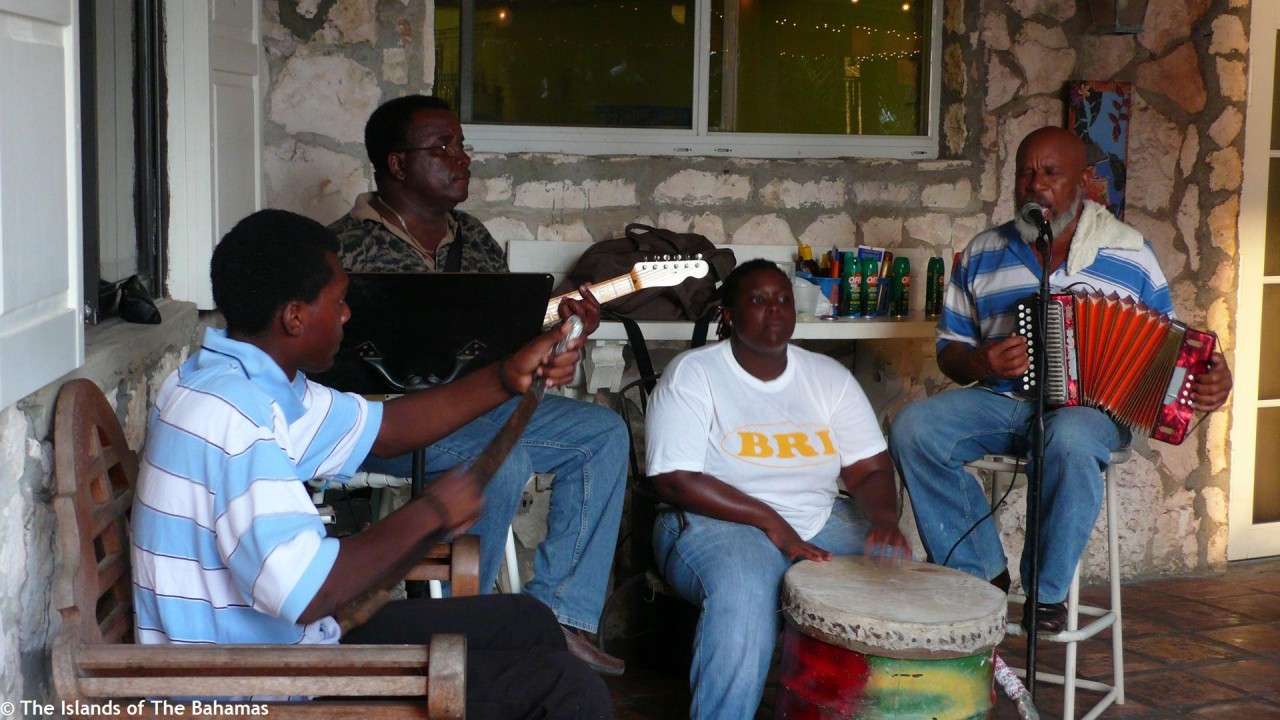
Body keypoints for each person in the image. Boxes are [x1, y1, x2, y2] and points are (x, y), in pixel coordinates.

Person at [130, 209, 613, 719]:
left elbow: (387, 429)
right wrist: (429, 513)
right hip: (256, 687)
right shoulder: (236, 419)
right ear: (294, 317)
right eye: (338, 301)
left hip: (285, 649)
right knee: (569, 691)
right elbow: (305, 592)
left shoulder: (229, 380)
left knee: (527, 621)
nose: (346, 315)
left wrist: (507, 376)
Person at [889, 126, 1234, 634]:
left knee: (1068, 436)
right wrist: (982, 363)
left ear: (1084, 183)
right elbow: (950, 351)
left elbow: (1171, 350)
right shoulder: (983, 252)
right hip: (1003, 402)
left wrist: (1210, 382)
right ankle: (980, 573)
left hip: (1091, 414)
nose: (1036, 185)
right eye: (1025, 173)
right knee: (913, 428)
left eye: (1051, 173)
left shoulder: (1130, 253)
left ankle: (1046, 595)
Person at [328, 95, 628, 674]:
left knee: (603, 434)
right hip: (381, 424)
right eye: (443, 148)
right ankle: (456, 639)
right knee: (503, 462)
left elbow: (508, 344)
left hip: (480, 409)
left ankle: (555, 619)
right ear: (397, 163)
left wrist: (565, 333)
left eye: (462, 145)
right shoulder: (342, 247)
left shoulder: (475, 239)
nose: (462, 158)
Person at [644, 259, 911, 720]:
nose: (774, 310)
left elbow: (869, 468)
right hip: (715, 522)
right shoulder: (695, 373)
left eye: (783, 299)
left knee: (892, 577)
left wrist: (886, 521)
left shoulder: (827, 377)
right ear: (729, 315)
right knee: (745, 592)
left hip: (818, 519)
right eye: (758, 300)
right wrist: (774, 524)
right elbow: (674, 478)